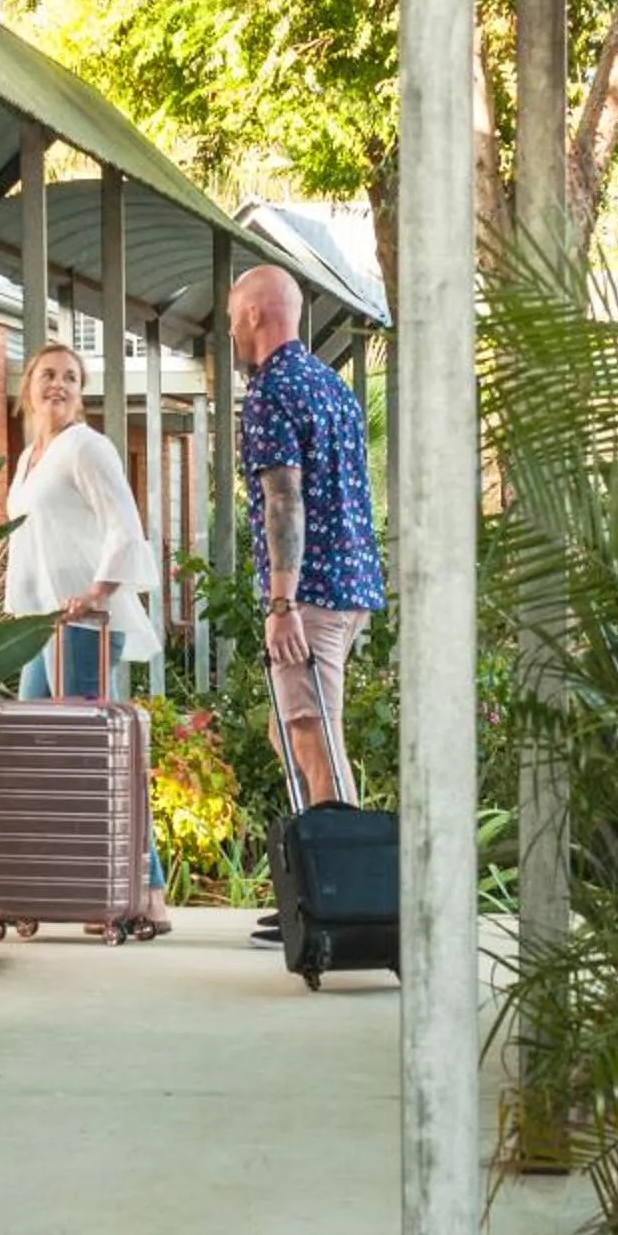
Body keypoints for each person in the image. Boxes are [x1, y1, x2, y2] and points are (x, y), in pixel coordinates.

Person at [227, 265, 385, 948]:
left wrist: (281, 601)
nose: (231, 331)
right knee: (290, 732)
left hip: (309, 597)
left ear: (254, 316)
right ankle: (323, 889)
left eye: (232, 318)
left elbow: (284, 499)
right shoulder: (330, 386)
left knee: (315, 739)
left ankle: (341, 903)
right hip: (350, 589)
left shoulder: (270, 392)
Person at [2, 342, 172, 933]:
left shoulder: (86, 447)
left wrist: (97, 591)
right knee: (30, 760)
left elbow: (124, 525)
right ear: (28, 386)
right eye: (48, 374)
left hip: (82, 627)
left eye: (70, 377)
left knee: (97, 761)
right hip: (40, 625)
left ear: (80, 393)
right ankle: (48, 888)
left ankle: (145, 893)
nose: (59, 384)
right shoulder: (29, 459)